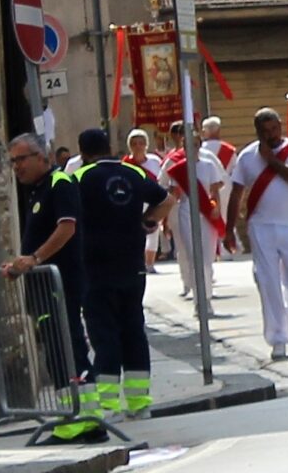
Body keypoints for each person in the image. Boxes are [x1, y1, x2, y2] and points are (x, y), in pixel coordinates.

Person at [3, 133, 100, 444]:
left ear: (41, 157)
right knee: (63, 350)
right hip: (45, 284)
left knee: (65, 350)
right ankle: (86, 419)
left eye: (21, 159)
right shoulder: (37, 191)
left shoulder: (60, 184)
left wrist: (34, 258)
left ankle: (73, 422)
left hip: (61, 283)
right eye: (13, 161)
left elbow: (67, 227)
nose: (16, 166)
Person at [73, 129, 175, 423]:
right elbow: (167, 200)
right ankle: (139, 402)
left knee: (104, 333)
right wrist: (148, 220)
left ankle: (108, 404)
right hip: (132, 265)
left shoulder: (80, 178)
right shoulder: (133, 173)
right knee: (133, 330)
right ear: (109, 147)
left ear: (83, 153)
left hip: (96, 269)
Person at [225, 108, 288, 359]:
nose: (271, 134)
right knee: (268, 281)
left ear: (280, 126)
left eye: (275, 129)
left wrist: (272, 161)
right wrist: (229, 228)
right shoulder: (246, 156)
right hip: (261, 226)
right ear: (257, 132)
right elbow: (236, 193)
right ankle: (278, 338)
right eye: (265, 131)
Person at [159, 133, 225, 314]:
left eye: (195, 145)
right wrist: (163, 218)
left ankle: (207, 296)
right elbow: (173, 194)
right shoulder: (178, 169)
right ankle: (200, 300)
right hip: (187, 212)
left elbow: (214, 190)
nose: (192, 148)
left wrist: (216, 207)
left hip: (206, 214)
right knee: (194, 256)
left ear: (200, 146)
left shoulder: (209, 166)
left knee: (207, 258)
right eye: (188, 145)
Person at [123, 129, 164, 274]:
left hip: (152, 201)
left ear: (146, 145)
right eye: (134, 143)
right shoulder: (125, 163)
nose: (138, 146)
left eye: (141, 143)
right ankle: (137, 263)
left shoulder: (155, 161)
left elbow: (162, 179)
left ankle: (150, 264)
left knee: (153, 231)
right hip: (134, 202)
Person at [201, 116, 239, 260]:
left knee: (208, 218)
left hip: (206, 185)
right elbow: (235, 170)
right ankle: (226, 250)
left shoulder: (200, 150)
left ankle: (211, 251)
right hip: (225, 184)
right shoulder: (229, 149)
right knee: (224, 217)